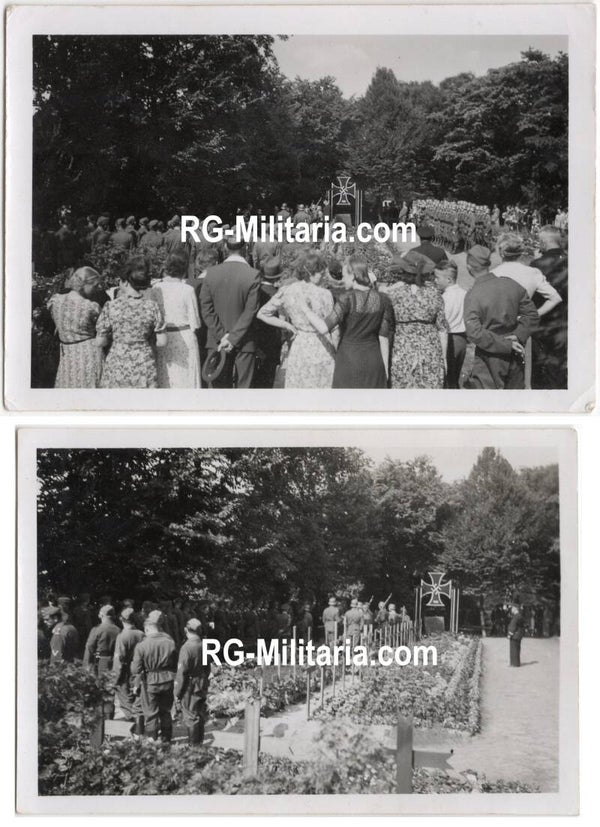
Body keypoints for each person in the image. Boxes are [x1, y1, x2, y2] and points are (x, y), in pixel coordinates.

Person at [300, 256, 395, 388]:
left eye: (344, 276)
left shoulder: (346, 299)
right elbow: (383, 337)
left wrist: (305, 309)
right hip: (374, 360)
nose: (342, 280)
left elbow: (324, 328)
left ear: (353, 276)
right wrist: (385, 370)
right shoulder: (383, 300)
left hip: (349, 359)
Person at [462, 245, 539, 389]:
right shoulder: (511, 284)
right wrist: (518, 335)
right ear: (488, 264)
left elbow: (474, 332)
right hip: (515, 352)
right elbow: (532, 315)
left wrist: (506, 344)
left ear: (468, 267)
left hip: (488, 355)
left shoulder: (473, 294)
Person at [257, 251, 337, 388]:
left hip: (300, 346)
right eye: (320, 273)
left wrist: (287, 325)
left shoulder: (287, 290)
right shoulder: (325, 294)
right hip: (322, 347)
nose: (323, 276)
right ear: (311, 272)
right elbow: (333, 328)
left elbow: (262, 313)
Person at [95, 255, 166, 388]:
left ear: (126, 282)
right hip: (144, 362)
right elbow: (162, 342)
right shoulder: (152, 306)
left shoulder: (111, 306)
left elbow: (100, 342)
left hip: (117, 362)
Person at [199, 239, 261, 388]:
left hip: (217, 340)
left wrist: (222, 336)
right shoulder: (253, 274)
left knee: (219, 389)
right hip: (245, 340)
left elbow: (206, 308)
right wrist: (232, 338)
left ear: (225, 248)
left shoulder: (211, 273)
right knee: (243, 389)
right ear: (245, 248)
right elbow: (251, 310)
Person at [385, 251, 449, 388]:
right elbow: (442, 329)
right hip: (430, 351)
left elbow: (388, 326)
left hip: (403, 350)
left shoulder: (393, 294)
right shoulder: (435, 294)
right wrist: (444, 358)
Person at [149, 252, 201, 388]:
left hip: (163, 337)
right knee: (186, 379)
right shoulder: (188, 290)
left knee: (166, 377)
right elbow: (195, 322)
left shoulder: (156, 288)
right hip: (184, 335)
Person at [48, 267, 105, 388]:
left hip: (67, 354)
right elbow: (103, 330)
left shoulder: (55, 300)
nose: (97, 289)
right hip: (88, 355)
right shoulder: (91, 307)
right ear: (84, 284)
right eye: (95, 286)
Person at [529, 225, 568, 390]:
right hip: (566, 322)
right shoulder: (571, 261)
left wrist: (535, 261)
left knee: (541, 371)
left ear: (543, 243)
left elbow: (530, 296)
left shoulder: (537, 265)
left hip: (544, 323)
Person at [131, 610, 177, 742]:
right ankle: (166, 739)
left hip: (150, 681)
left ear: (147, 629)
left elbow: (135, 669)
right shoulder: (170, 642)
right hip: (168, 679)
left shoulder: (142, 646)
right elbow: (175, 662)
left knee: (151, 712)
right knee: (166, 711)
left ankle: (152, 739)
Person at [175, 618, 211, 745]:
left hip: (190, 684)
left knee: (190, 715)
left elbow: (182, 672)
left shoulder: (187, 647)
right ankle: (199, 742)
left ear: (186, 630)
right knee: (199, 712)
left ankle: (193, 746)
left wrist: (177, 693)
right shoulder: (204, 645)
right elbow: (207, 668)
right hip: (201, 681)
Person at [434, 259, 466, 388]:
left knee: (445, 378)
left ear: (448, 279)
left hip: (449, 339)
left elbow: (441, 323)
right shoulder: (465, 293)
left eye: (437, 277)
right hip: (462, 340)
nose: (435, 280)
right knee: (455, 377)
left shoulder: (443, 298)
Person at [252, 256, 284, 389]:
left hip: (254, 340)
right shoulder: (277, 295)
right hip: (272, 342)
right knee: (267, 380)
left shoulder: (254, 291)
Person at [113, 607, 145, 729]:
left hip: (125, 671)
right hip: (139, 670)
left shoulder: (122, 636)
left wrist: (115, 678)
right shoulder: (141, 634)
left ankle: (132, 729)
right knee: (138, 700)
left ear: (121, 619)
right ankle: (139, 729)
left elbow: (119, 659)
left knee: (126, 702)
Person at [83, 604, 120, 677]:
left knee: (100, 681)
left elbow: (90, 647)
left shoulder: (97, 629)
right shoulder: (118, 630)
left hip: (99, 660)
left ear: (101, 615)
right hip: (114, 661)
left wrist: (86, 665)